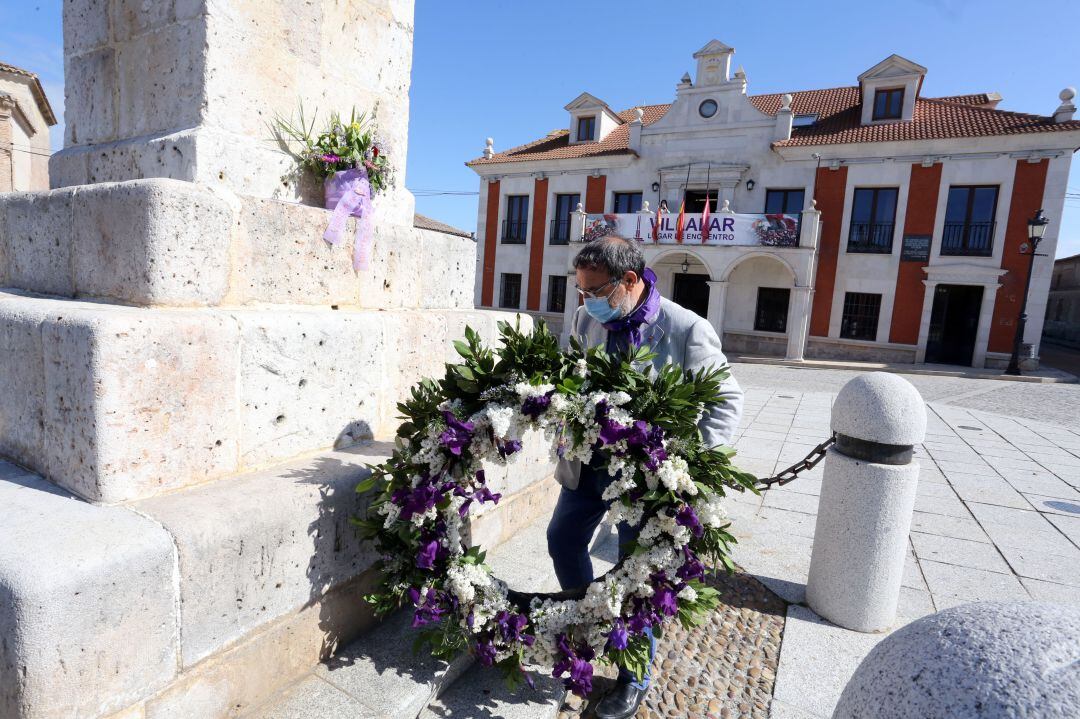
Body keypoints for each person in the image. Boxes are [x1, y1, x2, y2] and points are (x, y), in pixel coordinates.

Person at [546, 236, 743, 719]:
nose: (586, 301)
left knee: (639, 574)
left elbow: (725, 401)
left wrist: (689, 470)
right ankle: (589, 621)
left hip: (648, 483)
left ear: (629, 282)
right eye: (580, 291)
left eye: (593, 290)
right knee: (562, 539)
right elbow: (575, 376)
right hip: (590, 464)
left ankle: (636, 675)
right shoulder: (584, 317)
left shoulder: (686, 329)